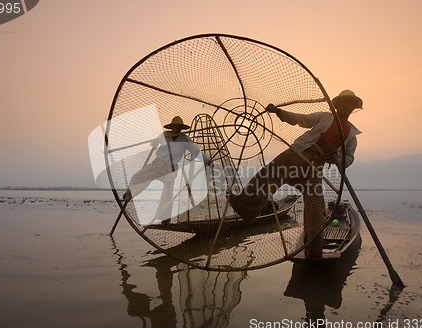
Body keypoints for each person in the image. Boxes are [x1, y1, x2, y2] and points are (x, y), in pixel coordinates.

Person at [228, 90, 362, 256]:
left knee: (315, 206)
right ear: (336, 105)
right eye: (342, 103)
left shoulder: (351, 135)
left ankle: (313, 252)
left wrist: (336, 156)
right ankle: (245, 207)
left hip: (314, 167)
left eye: (349, 104)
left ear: (352, 108)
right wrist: (279, 112)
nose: (345, 106)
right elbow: (302, 120)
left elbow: (348, 160)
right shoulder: (325, 117)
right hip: (297, 154)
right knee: (267, 176)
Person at [123, 116, 211, 224]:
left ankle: (165, 217)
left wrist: (207, 160)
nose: (176, 129)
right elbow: (154, 144)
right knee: (138, 176)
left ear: (181, 128)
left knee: (168, 192)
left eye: (179, 128)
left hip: (171, 168)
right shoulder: (165, 135)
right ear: (171, 127)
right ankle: (129, 194)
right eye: (175, 127)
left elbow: (196, 152)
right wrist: (155, 143)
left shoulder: (185, 139)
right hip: (157, 163)